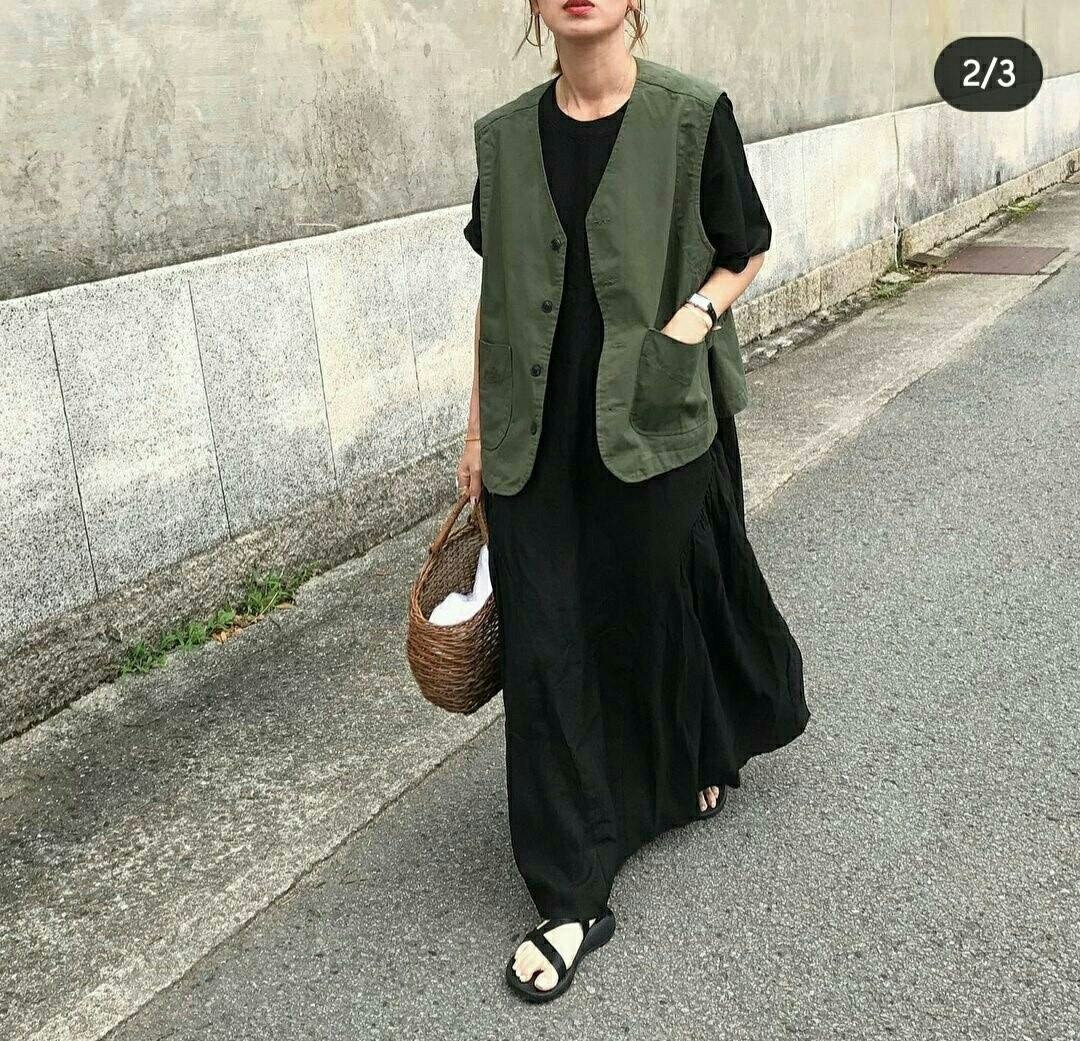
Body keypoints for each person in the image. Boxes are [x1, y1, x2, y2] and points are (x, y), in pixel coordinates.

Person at [456, 0, 810, 1004]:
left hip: (655, 416)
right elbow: (495, 295)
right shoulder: (503, 137)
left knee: (651, 611)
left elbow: (745, 243)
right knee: (546, 647)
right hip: (534, 434)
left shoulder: (692, 114)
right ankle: (571, 893)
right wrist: (475, 433)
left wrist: (693, 318)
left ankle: (684, 760)